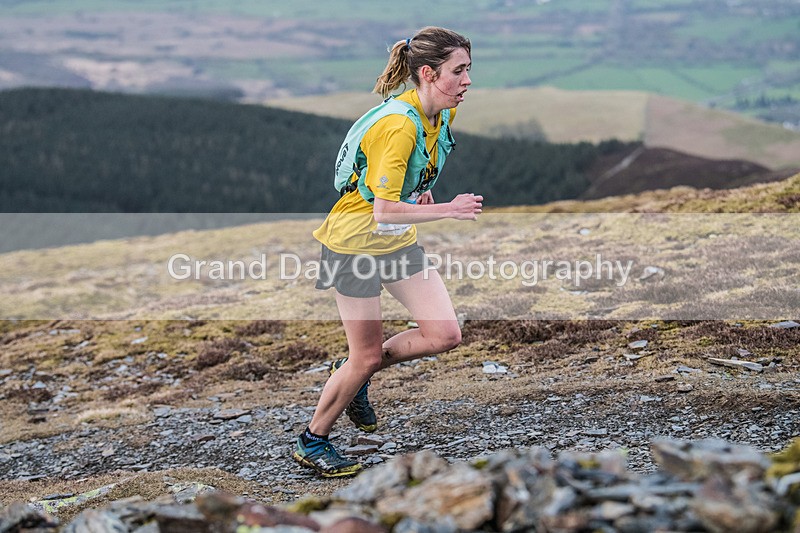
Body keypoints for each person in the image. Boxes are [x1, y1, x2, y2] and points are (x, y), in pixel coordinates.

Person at [292, 26, 483, 477]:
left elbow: (403, 188)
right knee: (367, 355)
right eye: (459, 71)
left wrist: (421, 196)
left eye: (469, 70)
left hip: (395, 243)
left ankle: (354, 372)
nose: (468, 81)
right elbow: (381, 210)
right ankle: (312, 441)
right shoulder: (399, 124)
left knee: (445, 334)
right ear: (428, 73)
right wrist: (449, 210)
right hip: (353, 245)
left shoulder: (441, 115)